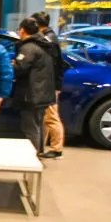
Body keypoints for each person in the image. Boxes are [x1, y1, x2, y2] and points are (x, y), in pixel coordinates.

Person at [12, 17, 57, 155]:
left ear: (22, 30)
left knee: (30, 128)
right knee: (37, 126)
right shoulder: (44, 44)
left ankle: (33, 159)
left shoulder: (28, 47)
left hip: (31, 94)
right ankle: (38, 152)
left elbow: (20, 68)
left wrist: (13, 64)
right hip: (42, 93)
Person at [34, 11, 65, 159]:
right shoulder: (50, 37)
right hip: (50, 83)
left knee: (51, 116)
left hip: (50, 85)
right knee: (46, 118)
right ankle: (42, 147)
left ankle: (57, 148)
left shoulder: (48, 40)